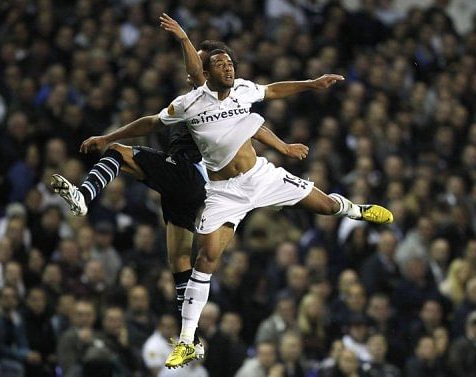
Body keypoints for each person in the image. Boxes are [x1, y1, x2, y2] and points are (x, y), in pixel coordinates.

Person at [50, 13, 307, 360]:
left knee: (118, 153)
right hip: (185, 188)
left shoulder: (209, 97)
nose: (193, 68)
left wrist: (185, 39)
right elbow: (152, 120)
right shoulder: (194, 104)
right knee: (180, 262)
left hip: (190, 172)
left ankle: (84, 196)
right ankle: (191, 339)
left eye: (201, 63)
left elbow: (237, 114)